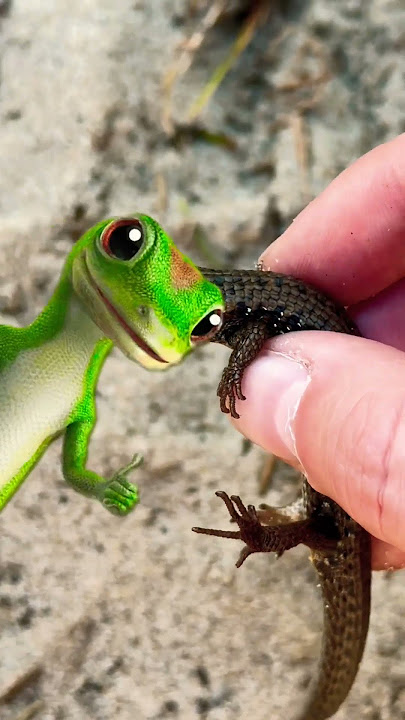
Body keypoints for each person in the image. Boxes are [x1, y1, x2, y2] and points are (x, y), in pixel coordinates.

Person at [231, 133, 405, 570]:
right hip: (341, 511)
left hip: (343, 519)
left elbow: (251, 331)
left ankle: (273, 536)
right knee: (325, 522)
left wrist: (236, 370)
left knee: (328, 525)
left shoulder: (224, 310)